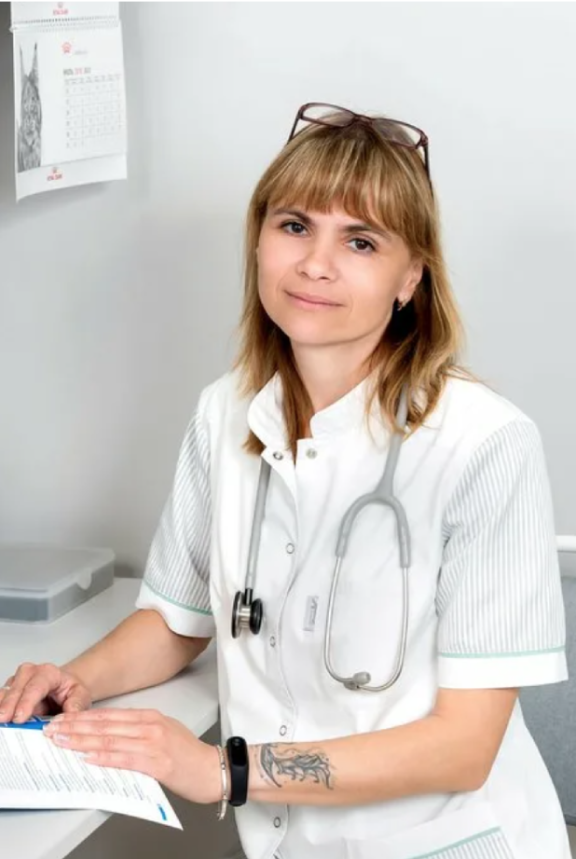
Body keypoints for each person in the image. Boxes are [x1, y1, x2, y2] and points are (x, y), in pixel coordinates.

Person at [0, 102, 570, 859]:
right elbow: (177, 619)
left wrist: (223, 770)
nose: (315, 264)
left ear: (411, 278)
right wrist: (70, 681)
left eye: (360, 241)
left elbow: (463, 747)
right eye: (295, 225)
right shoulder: (227, 410)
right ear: (259, 239)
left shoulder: (484, 443)